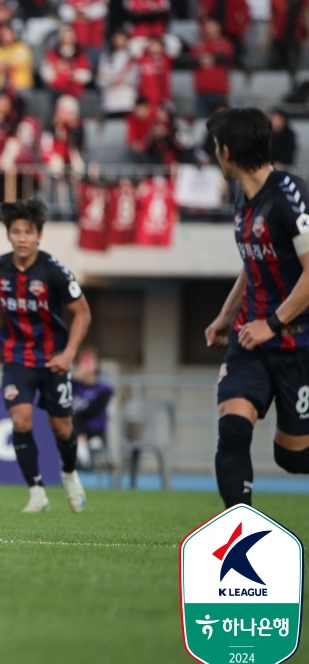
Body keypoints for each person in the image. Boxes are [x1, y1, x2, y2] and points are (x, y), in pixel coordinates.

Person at [203, 108, 309, 508]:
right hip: (250, 339)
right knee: (232, 428)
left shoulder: (289, 196)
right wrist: (227, 315)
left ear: (227, 151)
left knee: (293, 457)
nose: (215, 155)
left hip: (297, 342)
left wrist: (274, 323)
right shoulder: (243, 197)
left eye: (215, 148)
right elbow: (254, 263)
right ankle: (239, 531)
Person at [0, 198, 92, 513]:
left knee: (62, 428)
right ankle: (37, 492)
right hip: (16, 357)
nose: (22, 238)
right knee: (21, 419)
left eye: (28, 232)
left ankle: (69, 474)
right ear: (9, 235)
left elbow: (82, 314)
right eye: (16, 231)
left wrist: (69, 354)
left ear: (39, 235)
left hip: (53, 359)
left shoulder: (54, 271)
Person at [71, 346, 113, 470]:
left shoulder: (104, 389)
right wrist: (74, 380)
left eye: (89, 362)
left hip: (95, 428)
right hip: (73, 429)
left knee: (76, 418)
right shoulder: (74, 386)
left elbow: (93, 410)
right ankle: (83, 458)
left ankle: (84, 456)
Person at [191, 19, 234, 118]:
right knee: (201, 124)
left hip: (219, 92)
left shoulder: (224, 43)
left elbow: (226, 57)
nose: (209, 30)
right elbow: (191, 60)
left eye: (211, 27)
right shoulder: (199, 45)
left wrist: (209, 59)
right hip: (201, 92)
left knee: (222, 122)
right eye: (207, 27)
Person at [96, 30, 138, 117]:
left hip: (126, 96)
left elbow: (134, 76)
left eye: (122, 38)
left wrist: (121, 81)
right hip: (110, 96)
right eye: (116, 38)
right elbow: (101, 76)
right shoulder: (106, 56)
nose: (119, 41)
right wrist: (110, 81)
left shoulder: (131, 57)